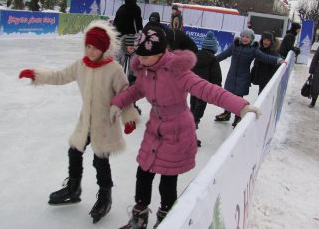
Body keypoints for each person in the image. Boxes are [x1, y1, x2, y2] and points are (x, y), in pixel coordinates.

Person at [109, 24, 260, 229]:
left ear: (160, 52)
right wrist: (118, 103)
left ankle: (167, 219)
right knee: (143, 172)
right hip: (155, 128)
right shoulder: (145, 70)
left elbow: (208, 90)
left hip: (178, 131)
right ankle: (140, 217)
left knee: (168, 180)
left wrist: (240, 107)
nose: (141, 61)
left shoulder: (177, 71)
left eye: (145, 57)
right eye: (140, 57)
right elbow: (136, 90)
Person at [18, 20, 139, 223]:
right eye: (88, 46)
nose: (91, 51)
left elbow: (125, 94)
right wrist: (38, 75)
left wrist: (129, 119)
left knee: (100, 160)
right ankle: (74, 188)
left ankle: (105, 196)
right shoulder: (81, 64)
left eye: (96, 47)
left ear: (105, 48)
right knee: (74, 150)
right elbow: (60, 76)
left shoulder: (114, 69)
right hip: (86, 120)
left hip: (105, 123)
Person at [215, 29, 285, 127]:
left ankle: (238, 117)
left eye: (247, 37)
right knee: (228, 96)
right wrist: (213, 60)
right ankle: (226, 113)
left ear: (251, 39)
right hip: (231, 76)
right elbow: (224, 55)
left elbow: (265, 57)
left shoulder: (253, 50)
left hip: (243, 77)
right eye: (243, 36)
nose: (245, 38)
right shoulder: (235, 46)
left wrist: (278, 60)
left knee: (239, 98)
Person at [190, 31, 222, 147]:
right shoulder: (213, 60)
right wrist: (217, 89)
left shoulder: (196, 56)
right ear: (214, 48)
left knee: (193, 107)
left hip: (193, 87)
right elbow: (216, 76)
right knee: (198, 111)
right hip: (204, 90)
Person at [116, 34, 141, 114]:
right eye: (130, 48)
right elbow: (115, 62)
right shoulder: (120, 53)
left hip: (131, 77)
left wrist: (134, 77)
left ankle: (132, 106)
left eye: (133, 47)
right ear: (125, 46)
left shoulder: (137, 55)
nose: (132, 49)